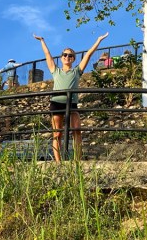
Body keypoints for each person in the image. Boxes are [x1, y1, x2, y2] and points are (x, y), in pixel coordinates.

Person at [34, 32, 108, 162]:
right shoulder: (55, 70)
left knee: (76, 130)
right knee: (57, 133)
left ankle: (77, 160)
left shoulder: (77, 71)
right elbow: (47, 55)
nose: (67, 57)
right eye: (65, 55)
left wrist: (98, 40)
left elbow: (89, 54)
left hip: (72, 104)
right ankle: (58, 162)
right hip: (56, 103)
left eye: (70, 55)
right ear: (61, 57)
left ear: (73, 58)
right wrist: (42, 41)